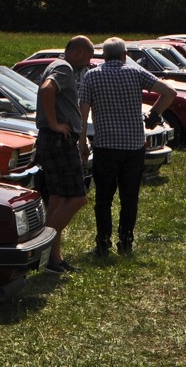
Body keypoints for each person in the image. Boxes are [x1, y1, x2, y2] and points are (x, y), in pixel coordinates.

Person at [78, 38, 176, 257]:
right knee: (129, 197)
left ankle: (103, 242)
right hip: (133, 147)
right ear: (124, 56)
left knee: (104, 198)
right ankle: (126, 241)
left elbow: (83, 112)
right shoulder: (135, 73)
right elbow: (169, 92)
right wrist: (154, 114)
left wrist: (82, 141)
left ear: (104, 56)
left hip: (105, 145)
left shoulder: (91, 76)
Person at [35, 35, 95, 274]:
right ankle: (40, 247)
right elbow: (47, 89)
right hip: (59, 140)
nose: (88, 63)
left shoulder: (57, 65)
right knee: (78, 198)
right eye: (88, 57)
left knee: (58, 199)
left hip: (55, 140)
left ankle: (53, 259)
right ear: (78, 52)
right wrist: (54, 123)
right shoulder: (64, 67)